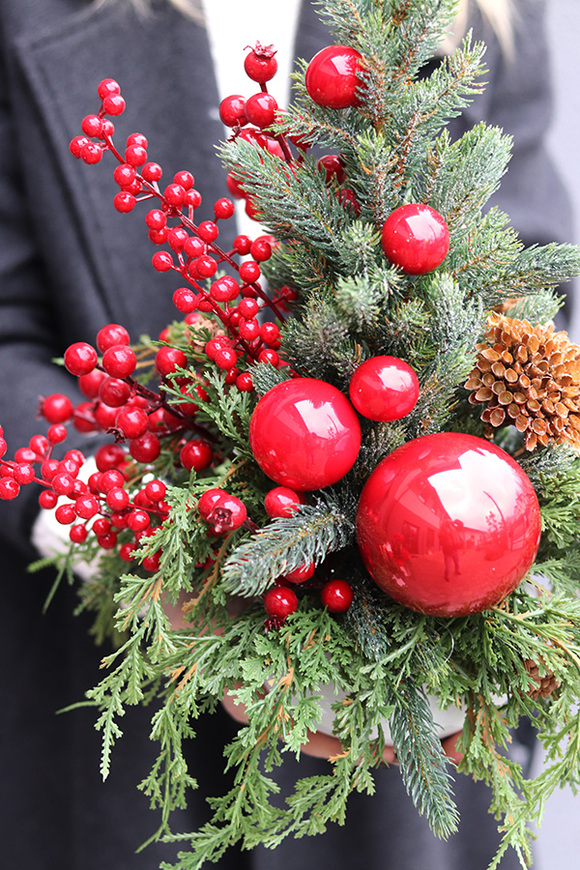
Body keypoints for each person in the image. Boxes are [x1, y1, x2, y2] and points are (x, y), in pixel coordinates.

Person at [0, 1, 571, 868]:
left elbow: (528, 281)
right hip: (110, 727)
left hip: (402, 720)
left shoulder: (472, 17)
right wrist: (149, 545)